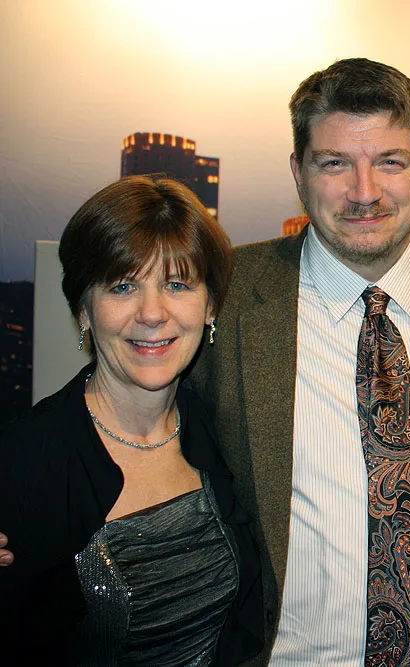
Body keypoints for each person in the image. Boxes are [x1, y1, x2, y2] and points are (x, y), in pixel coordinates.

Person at [186, 58, 410, 665]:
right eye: (335, 163)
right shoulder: (228, 293)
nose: (365, 192)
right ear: (298, 172)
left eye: (390, 162)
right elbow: (125, 407)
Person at [0, 176, 264, 665]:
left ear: (210, 306)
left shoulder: (226, 429)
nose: (152, 313)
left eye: (177, 284)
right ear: (83, 309)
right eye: (123, 286)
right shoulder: (22, 462)